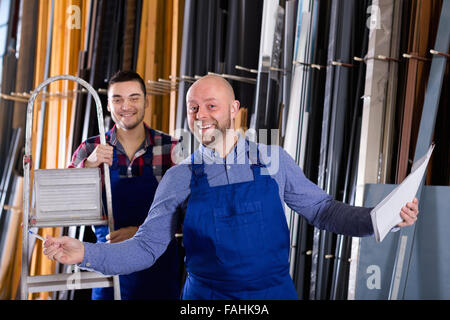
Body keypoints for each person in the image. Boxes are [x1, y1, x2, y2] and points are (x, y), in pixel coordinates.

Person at [44, 75, 419, 300]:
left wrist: (379, 218)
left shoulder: (273, 160)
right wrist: (86, 254)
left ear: (234, 109)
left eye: (211, 105)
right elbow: (145, 247)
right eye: (193, 108)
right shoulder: (180, 175)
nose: (201, 116)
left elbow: (323, 211)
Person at [67, 70, 181, 300]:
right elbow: (69, 205)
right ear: (108, 105)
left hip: (159, 270)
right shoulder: (90, 149)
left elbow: (189, 212)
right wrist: (88, 167)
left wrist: (141, 233)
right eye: (117, 99)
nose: (125, 106)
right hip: (108, 268)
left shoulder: (172, 148)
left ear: (146, 101)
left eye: (134, 97)